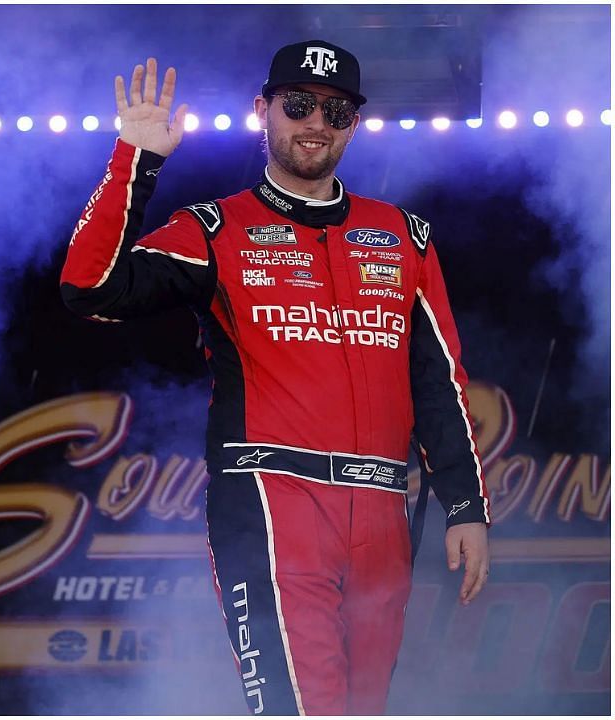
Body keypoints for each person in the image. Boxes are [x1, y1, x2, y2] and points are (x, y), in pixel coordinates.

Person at [60, 41, 491, 715]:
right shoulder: (214, 228)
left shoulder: (404, 235)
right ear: (263, 111)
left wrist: (465, 506)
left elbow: (440, 381)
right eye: (297, 105)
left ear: (354, 124)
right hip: (270, 502)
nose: (315, 122)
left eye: (336, 111)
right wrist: (134, 162)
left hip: (383, 511)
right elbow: (89, 288)